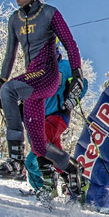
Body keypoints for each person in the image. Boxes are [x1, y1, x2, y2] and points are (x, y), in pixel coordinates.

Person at [0, 0, 85, 208]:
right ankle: (72, 169)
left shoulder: (50, 13)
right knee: (40, 146)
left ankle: (17, 161)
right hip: (32, 80)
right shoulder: (14, 19)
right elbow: (10, 54)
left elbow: (70, 45)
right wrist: (1, 81)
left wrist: (77, 75)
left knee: (10, 91)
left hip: (48, 75)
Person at [24, 49, 88, 199]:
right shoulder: (38, 72)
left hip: (58, 114)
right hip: (41, 118)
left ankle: (50, 184)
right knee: (52, 156)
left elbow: (82, 83)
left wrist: (72, 98)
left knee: (39, 143)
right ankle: (77, 183)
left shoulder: (65, 66)